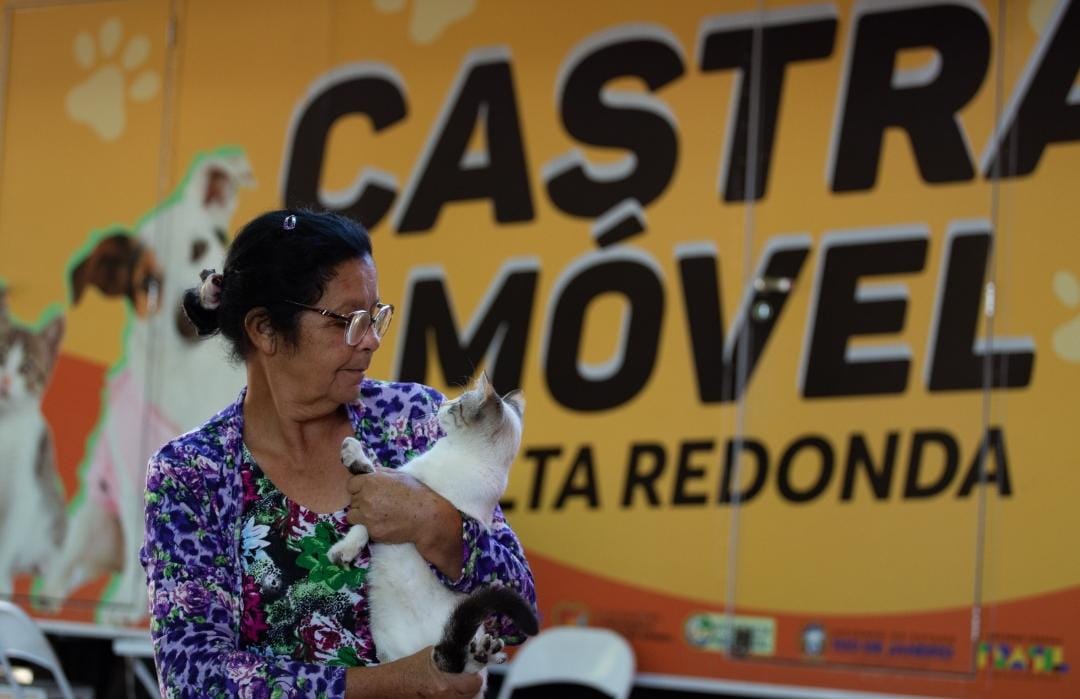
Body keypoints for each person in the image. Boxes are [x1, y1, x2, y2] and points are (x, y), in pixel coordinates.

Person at [140, 209, 536, 698]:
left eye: (376, 317)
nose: (370, 340)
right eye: (348, 321)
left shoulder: (411, 420)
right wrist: (397, 684)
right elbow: (194, 679)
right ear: (264, 330)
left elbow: (516, 613)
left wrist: (432, 521)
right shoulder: (193, 473)